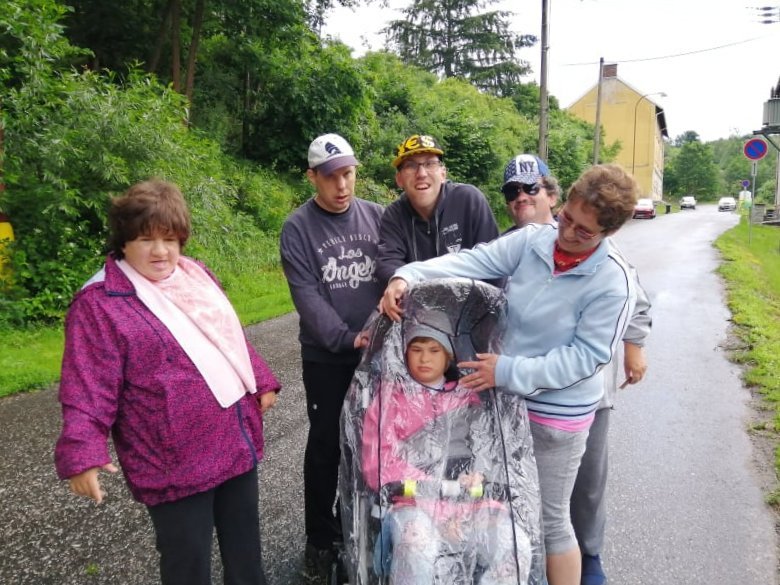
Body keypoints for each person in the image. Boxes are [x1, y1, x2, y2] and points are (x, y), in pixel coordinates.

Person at [380, 164, 640, 585]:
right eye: (566, 218)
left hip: (556, 416)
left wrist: (507, 369)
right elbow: (472, 261)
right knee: (504, 509)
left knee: (550, 519)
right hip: (504, 400)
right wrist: (406, 274)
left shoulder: (614, 280)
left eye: (583, 231)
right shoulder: (535, 239)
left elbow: (586, 358)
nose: (567, 233)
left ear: (608, 233)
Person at [54, 179, 281, 585]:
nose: (160, 251)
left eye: (170, 239)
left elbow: (227, 336)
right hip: (173, 462)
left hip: (233, 440)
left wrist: (260, 380)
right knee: (187, 565)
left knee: (246, 555)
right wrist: (81, 451)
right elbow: (87, 385)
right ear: (124, 241)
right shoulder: (100, 303)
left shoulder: (196, 275)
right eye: (146, 239)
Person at [500, 154, 652, 585]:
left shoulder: (610, 267)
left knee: (581, 486)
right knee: (525, 496)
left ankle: (590, 556)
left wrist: (635, 346)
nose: (522, 197)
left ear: (548, 193)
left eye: (531, 189)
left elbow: (633, 306)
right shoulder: (521, 242)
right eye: (513, 191)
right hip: (517, 389)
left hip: (579, 397)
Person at [279, 132, 385, 583]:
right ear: (312, 178)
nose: (342, 185)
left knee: (371, 444)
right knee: (325, 446)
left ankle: (356, 526)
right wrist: (347, 338)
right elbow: (307, 297)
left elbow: (397, 272)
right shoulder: (298, 228)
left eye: (348, 173)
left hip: (377, 354)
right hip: (327, 357)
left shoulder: (378, 216)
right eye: (330, 177)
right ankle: (319, 540)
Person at [362, 322, 533, 585]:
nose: (424, 358)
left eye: (434, 350)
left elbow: (488, 448)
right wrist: (435, 492)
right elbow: (378, 461)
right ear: (404, 354)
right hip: (412, 501)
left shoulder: (467, 397)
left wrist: (480, 475)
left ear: (448, 356)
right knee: (416, 546)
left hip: (471, 501)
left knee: (515, 547)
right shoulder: (390, 399)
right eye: (416, 350)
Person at [376, 133, 499, 286]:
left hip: (475, 297)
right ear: (399, 179)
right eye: (411, 166)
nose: (421, 174)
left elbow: (495, 259)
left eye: (430, 164)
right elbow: (388, 262)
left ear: (443, 173)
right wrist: (399, 279)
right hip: (416, 300)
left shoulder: (469, 200)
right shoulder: (393, 215)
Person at [500, 154, 561, 234]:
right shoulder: (501, 242)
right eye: (512, 191)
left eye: (531, 187)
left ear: (552, 198)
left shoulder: (570, 238)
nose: (521, 198)